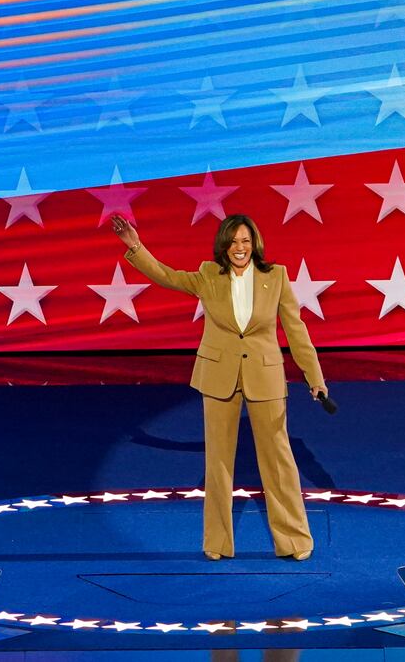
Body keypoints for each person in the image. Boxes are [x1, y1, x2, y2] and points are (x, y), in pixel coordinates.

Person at [110, 213, 327, 561]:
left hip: (265, 376)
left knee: (279, 461)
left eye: (245, 241)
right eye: (233, 241)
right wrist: (136, 247)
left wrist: (314, 378)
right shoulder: (208, 275)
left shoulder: (276, 276)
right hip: (218, 376)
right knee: (218, 462)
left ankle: (294, 541)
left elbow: (296, 330)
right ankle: (217, 543)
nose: (240, 248)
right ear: (223, 245)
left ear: (254, 244)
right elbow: (167, 276)